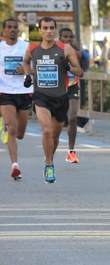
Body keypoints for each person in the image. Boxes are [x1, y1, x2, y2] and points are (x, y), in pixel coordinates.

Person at [23, 17, 83, 183]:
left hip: (60, 97)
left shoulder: (66, 49)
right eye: (45, 28)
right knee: (47, 130)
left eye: (51, 28)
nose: (48, 31)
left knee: (55, 135)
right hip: (41, 97)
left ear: (54, 30)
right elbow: (26, 62)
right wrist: (27, 76)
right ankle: (49, 165)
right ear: (40, 30)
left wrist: (69, 67)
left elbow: (80, 72)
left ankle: (50, 157)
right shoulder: (32, 49)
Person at [0, 18, 33, 179]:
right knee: (12, 128)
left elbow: (35, 67)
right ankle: (15, 166)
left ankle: (9, 127)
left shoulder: (26, 47)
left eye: (15, 27)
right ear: (3, 31)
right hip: (4, 92)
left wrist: (26, 69)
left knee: (19, 133)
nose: (12, 30)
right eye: (9, 27)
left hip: (23, 91)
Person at [58, 27, 82, 163]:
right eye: (65, 37)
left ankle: (71, 150)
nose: (67, 39)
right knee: (57, 122)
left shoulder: (76, 53)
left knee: (72, 117)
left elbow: (81, 68)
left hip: (72, 87)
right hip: (58, 89)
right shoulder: (54, 51)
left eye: (70, 37)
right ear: (60, 38)